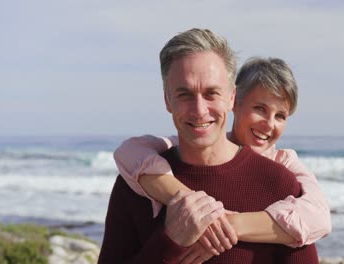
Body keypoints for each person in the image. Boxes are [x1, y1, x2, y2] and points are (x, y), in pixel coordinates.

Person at [98, 28, 322, 263]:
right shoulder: (137, 184)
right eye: (184, 94)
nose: (199, 110)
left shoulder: (279, 185)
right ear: (167, 100)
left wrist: (226, 224)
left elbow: (317, 215)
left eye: (211, 93)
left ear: (231, 98)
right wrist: (169, 242)